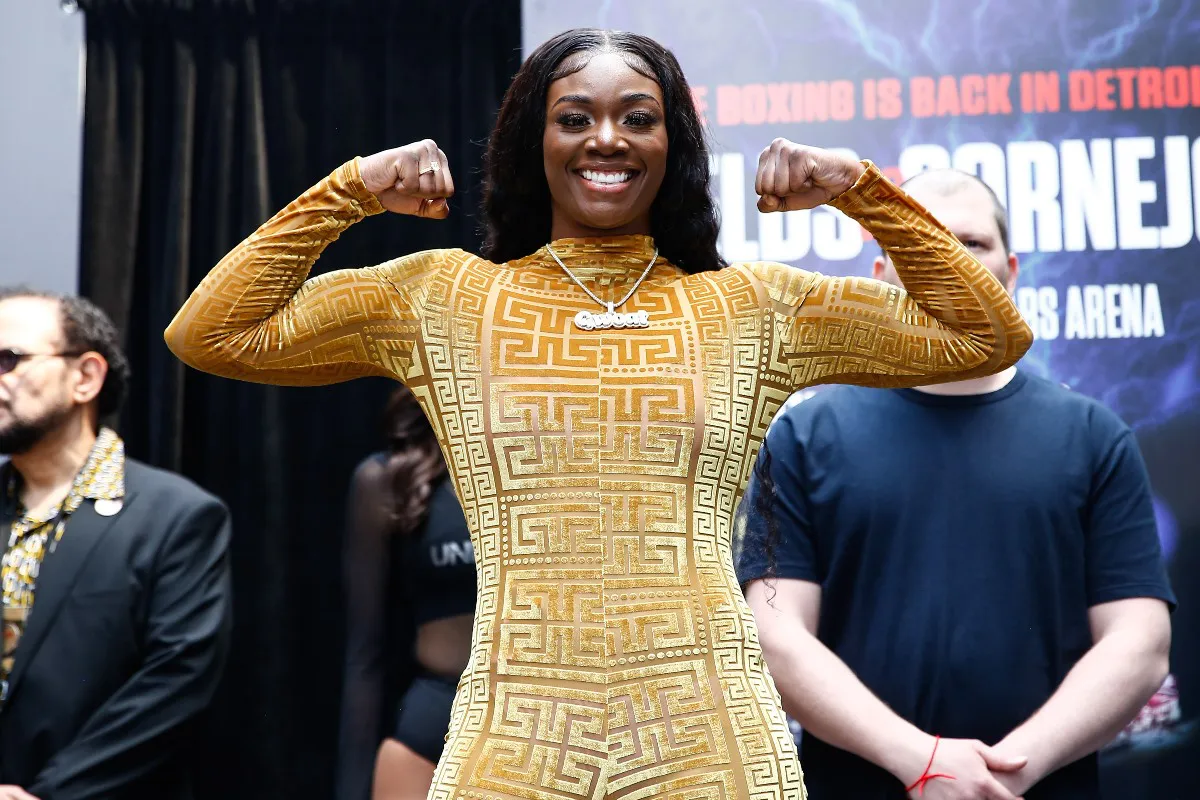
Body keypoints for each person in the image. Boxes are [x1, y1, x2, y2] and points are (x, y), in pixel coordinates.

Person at [164, 27, 1032, 800]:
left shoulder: (750, 307)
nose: (606, 138)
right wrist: (349, 190)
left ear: (673, 142)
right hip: (513, 735)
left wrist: (860, 188)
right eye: (574, 117)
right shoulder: (446, 299)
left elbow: (984, 336)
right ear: (531, 142)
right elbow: (211, 334)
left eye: (638, 118)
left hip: (711, 737)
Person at [737, 169, 1175, 800]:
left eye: (970, 243)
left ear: (1012, 270)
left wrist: (1005, 773)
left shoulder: (1094, 436)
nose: (949, 262)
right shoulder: (806, 436)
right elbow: (776, 637)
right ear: (884, 275)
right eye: (926, 241)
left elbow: (1140, 644)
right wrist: (919, 761)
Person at [0, 288, 233, 800]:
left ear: (85, 376)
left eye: (8, 360)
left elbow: (172, 685)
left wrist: (49, 794)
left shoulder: (176, 516)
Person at [337, 385, 474, 800]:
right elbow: (365, 656)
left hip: (545, 727)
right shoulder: (392, 479)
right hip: (434, 724)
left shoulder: (558, 477)